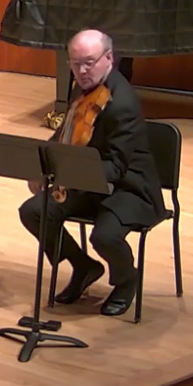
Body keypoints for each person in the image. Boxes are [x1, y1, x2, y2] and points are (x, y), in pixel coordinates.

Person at [19, 29, 166, 316]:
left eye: (88, 62)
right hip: (89, 181)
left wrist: (67, 172)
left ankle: (126, 280)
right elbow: (66, 133)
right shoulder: (84, 86)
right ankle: (83, 266)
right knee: (34, 211)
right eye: (75, 64)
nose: (82, 70)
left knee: (104, 237)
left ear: (108, 57)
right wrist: (43, 165)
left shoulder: (122, 104)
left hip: (129, 188)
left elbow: (117, 166)